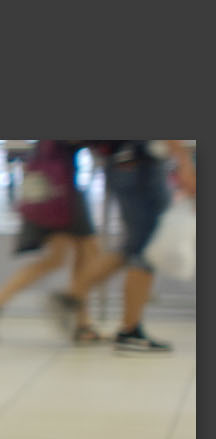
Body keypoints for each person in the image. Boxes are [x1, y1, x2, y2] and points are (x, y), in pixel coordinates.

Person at [47, 140, 196, 354]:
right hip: (141, 164)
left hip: (123, 162)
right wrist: (183, 161)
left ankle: (73, 296)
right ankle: (129, 329)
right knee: (146, 247)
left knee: (136, 245)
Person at [0, 140, 106, 345]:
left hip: (54, 187)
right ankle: (76, 314)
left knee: (60, 258)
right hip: (62, 191)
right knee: (88, 252)